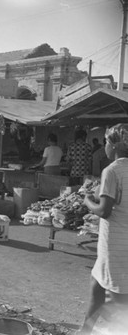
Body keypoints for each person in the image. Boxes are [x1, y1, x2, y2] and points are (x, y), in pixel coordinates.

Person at [80, 124, 128, 334]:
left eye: (107, 142)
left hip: (115, 243)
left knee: (119, 297)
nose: (105, 146)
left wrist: (88, 200)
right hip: (120, 241)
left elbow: (104, 210)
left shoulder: (112, 170)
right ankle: (85, 331)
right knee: (97, 285)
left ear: (115, 145)